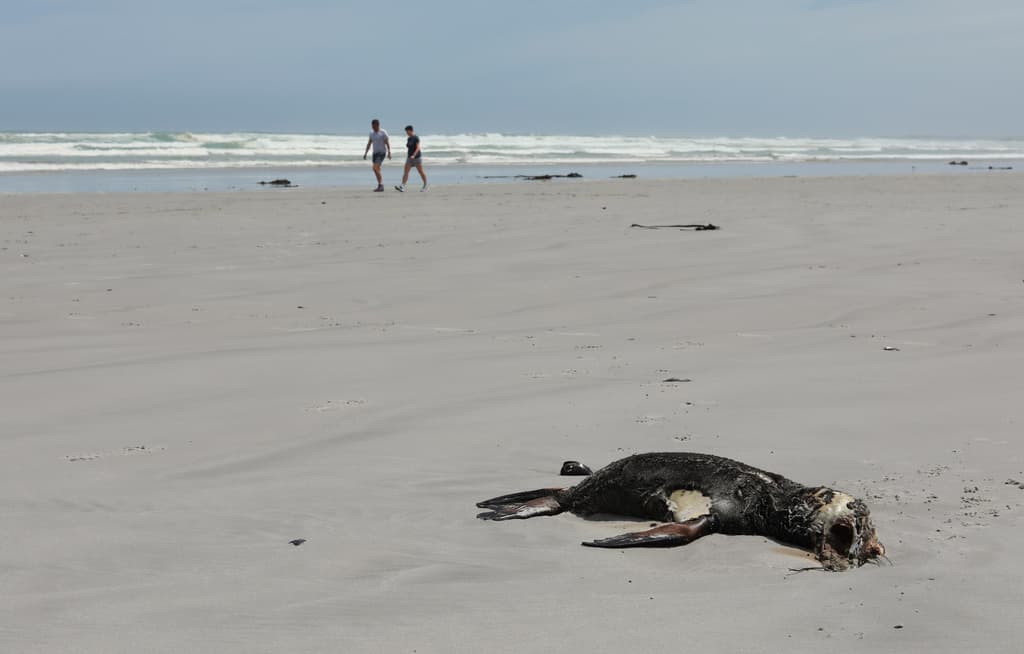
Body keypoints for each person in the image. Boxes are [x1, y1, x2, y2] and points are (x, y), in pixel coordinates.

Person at [394, 125, 427, 192]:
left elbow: (418, 148)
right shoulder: (409, 138)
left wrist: (414, 155)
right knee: (406, 172)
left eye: (407, 131)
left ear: (410, 130)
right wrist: (410, 156)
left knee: (420, 172)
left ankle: (425, 185)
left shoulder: (416, 137)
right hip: (409, 158)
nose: (406, 133)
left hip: (416, 158)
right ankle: (402, 186)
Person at [362, 119, 391, 192]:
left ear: (378, 125)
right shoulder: (371, 133)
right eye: (372, 126)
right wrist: (365, 153)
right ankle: (380, 185)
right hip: (374, 153)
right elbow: (369, 143)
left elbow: (387, 142)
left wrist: (389, 152)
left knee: (375, 168)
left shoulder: (383, 132)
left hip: (381, 153)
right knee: (377, 169)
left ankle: (381, 185)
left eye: (374, 126)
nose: (373, 128)